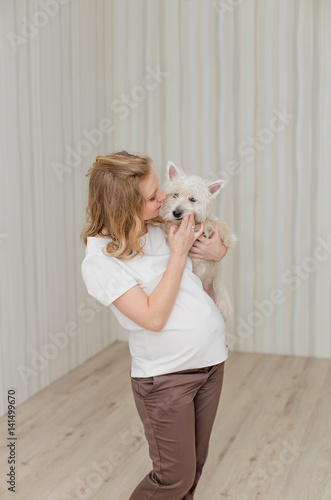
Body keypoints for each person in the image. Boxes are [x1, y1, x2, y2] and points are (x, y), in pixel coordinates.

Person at [80, 150, 229, 499]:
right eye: (153, 196)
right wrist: (177, 255)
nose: (164, 199)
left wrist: (218, 250)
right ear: (123, 205)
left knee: (192, 470)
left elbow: (212, 248)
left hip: (211, 363)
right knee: (172, 479)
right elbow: (153, 317)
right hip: (166, 378)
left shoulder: (162, 228)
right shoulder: (100, 259)